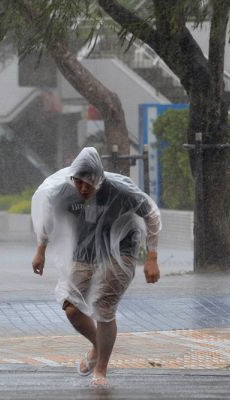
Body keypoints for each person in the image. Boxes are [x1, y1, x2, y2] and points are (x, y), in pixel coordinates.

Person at [30, 147, 161, 387]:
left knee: (103, 307)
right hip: (84, 252)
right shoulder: (63, 191)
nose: (82, 189)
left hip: (120, 251)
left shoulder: (120, 190)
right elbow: (47, 216)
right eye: (78, 182)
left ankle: (100, 369)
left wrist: (152, 257)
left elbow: (151, 213)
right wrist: (41, 251)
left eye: (88, 184)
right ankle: (97, 346)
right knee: (71, 307)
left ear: (99, 179)